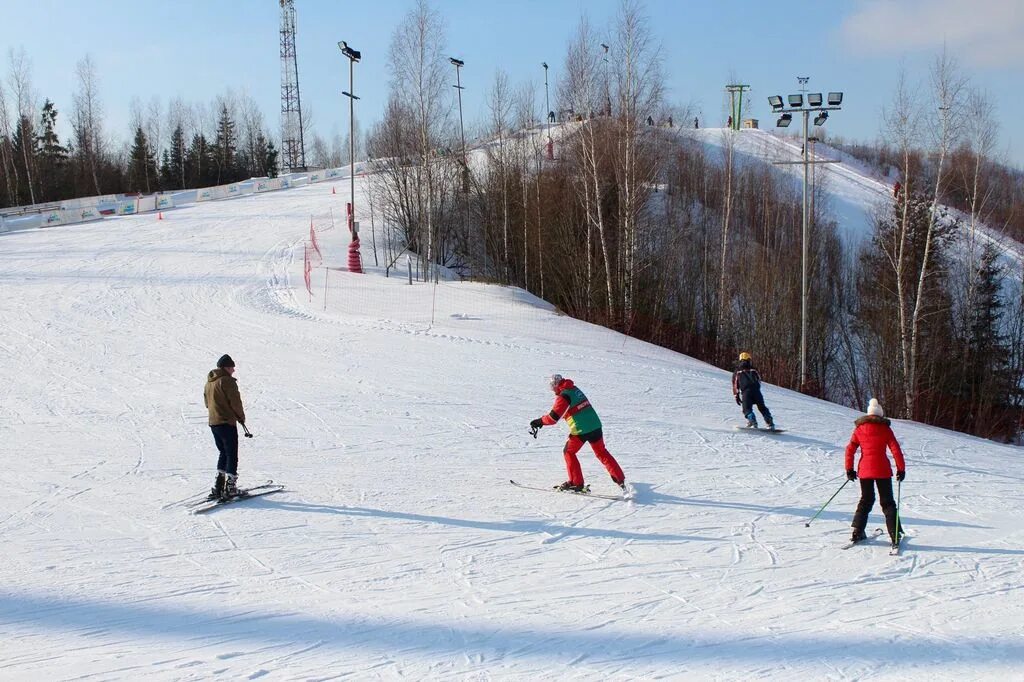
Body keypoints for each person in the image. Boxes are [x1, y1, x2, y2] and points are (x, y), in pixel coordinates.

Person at [530, 374, 626, 492]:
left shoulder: (564, 396)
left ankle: (576, 483)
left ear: (556, 385)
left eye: (552, 387)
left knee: (569, 452)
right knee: (601, 452)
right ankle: (620, 480)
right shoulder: (574, 389)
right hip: (595, 425)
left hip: (581, 430)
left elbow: (553, 418)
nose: (552, 390)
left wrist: (539, 422)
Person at [844, 398, 906, 546]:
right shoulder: (885, 429)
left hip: (865, 471)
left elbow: (850, 449)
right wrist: (901, 469)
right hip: (883, 470)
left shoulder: (859, 429)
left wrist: (849, 469)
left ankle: (857, 531)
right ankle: (894, 534)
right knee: (888, 503)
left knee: (866, 500)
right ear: (880, 414)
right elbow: (895, 449)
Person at [204, 354, 248, 500]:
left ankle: (218, 486)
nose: (233, 370)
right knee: (231, 454)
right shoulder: (227, 381)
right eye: (231, 367)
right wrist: (241, 418)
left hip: (214, 422)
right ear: (225, 368)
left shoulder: (209, 383)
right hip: (226, 422)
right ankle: (230, 488)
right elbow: (235, 402)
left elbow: (206, 403)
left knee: (223, 452)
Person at [732, 352, 775, 430]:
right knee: (762, 407)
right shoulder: (754, 370)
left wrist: (736, 395)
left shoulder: (737, 371)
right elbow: (759, 379)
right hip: (757, 391)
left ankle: (752, 421)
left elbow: (735, 384)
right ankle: (769, 422)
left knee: (746, 408)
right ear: (749, 360)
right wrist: (756, 388)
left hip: (746, 392)